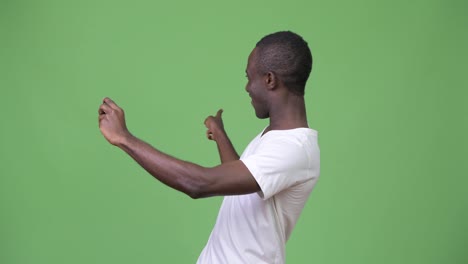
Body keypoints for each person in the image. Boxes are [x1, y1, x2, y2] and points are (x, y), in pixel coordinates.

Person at [98, 31, 320, 264]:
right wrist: (220, 136)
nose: (246, 87)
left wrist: (124, 138)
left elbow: (199, 184)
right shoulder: (275, 137)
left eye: (249, 77)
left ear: (269, 80)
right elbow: (242, 185)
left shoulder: (293, 149)